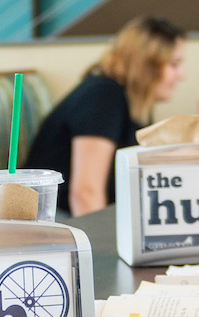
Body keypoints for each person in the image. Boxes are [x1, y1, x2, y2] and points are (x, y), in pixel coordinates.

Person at [22, 16, 186, 215]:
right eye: (174, 64)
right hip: (56, 218)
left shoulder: (130, 101)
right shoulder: (103, 96)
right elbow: (85, 193)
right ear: (147, 64)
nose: (181, 75)